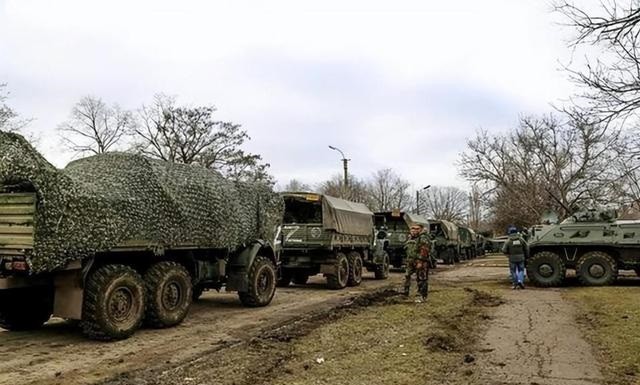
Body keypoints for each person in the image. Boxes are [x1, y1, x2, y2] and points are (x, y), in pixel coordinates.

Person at [403, 223, 431, 302]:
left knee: (421, 279)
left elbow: (424, 250)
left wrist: (420, 261)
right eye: (413, 229)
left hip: (420, 261)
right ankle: (405, 293)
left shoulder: (423, 238)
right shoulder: (411, 238)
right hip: (410, 261)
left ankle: (422, 296)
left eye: (417, 229)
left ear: (421, 229)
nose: (414, 230)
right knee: (407, 276)